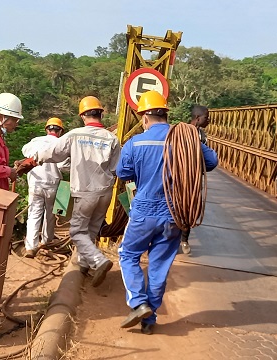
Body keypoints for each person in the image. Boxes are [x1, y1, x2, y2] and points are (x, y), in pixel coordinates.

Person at [116, 91, 218, 335]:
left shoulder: (136, 142)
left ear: (144, 117)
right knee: (159, 265)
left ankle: (138, 303)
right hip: (174, 214)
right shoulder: (186, 139)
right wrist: (192, 149)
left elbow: (123, 173)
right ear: (165, 114)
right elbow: (212, 162)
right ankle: (149, 320)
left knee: (128, 254)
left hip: (143, 211)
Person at [33, 96, 120, 286]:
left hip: (85, 192)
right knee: (91, 230)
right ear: (101, 114)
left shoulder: (75, 135)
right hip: (105, 192)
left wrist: (35, 158)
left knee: (77, 232)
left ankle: (99, 261)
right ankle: (83, 265)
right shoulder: (112, 138)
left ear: (82, 116)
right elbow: (115, 168)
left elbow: (53, 153)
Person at [20, 118, 67, 258]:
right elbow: (64, 166)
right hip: (53, 184)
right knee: (50, 215)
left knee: (34, 214)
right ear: (60, 131)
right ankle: (46, 242)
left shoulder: (35, 141)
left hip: (35, 183)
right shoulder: (61, 144)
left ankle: (30, 247)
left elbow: (25, 152)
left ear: (47, 129)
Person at [180, 105, 211, 254]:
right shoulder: (181, 131)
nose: (209, 121)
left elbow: (209, 159)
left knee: (190, 208)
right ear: (198, 118)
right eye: (207, 117)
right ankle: (174, 239)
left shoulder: (202, 136)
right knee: (176, 207)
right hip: (180, 178)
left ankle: (184, 239)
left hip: (195, 178)